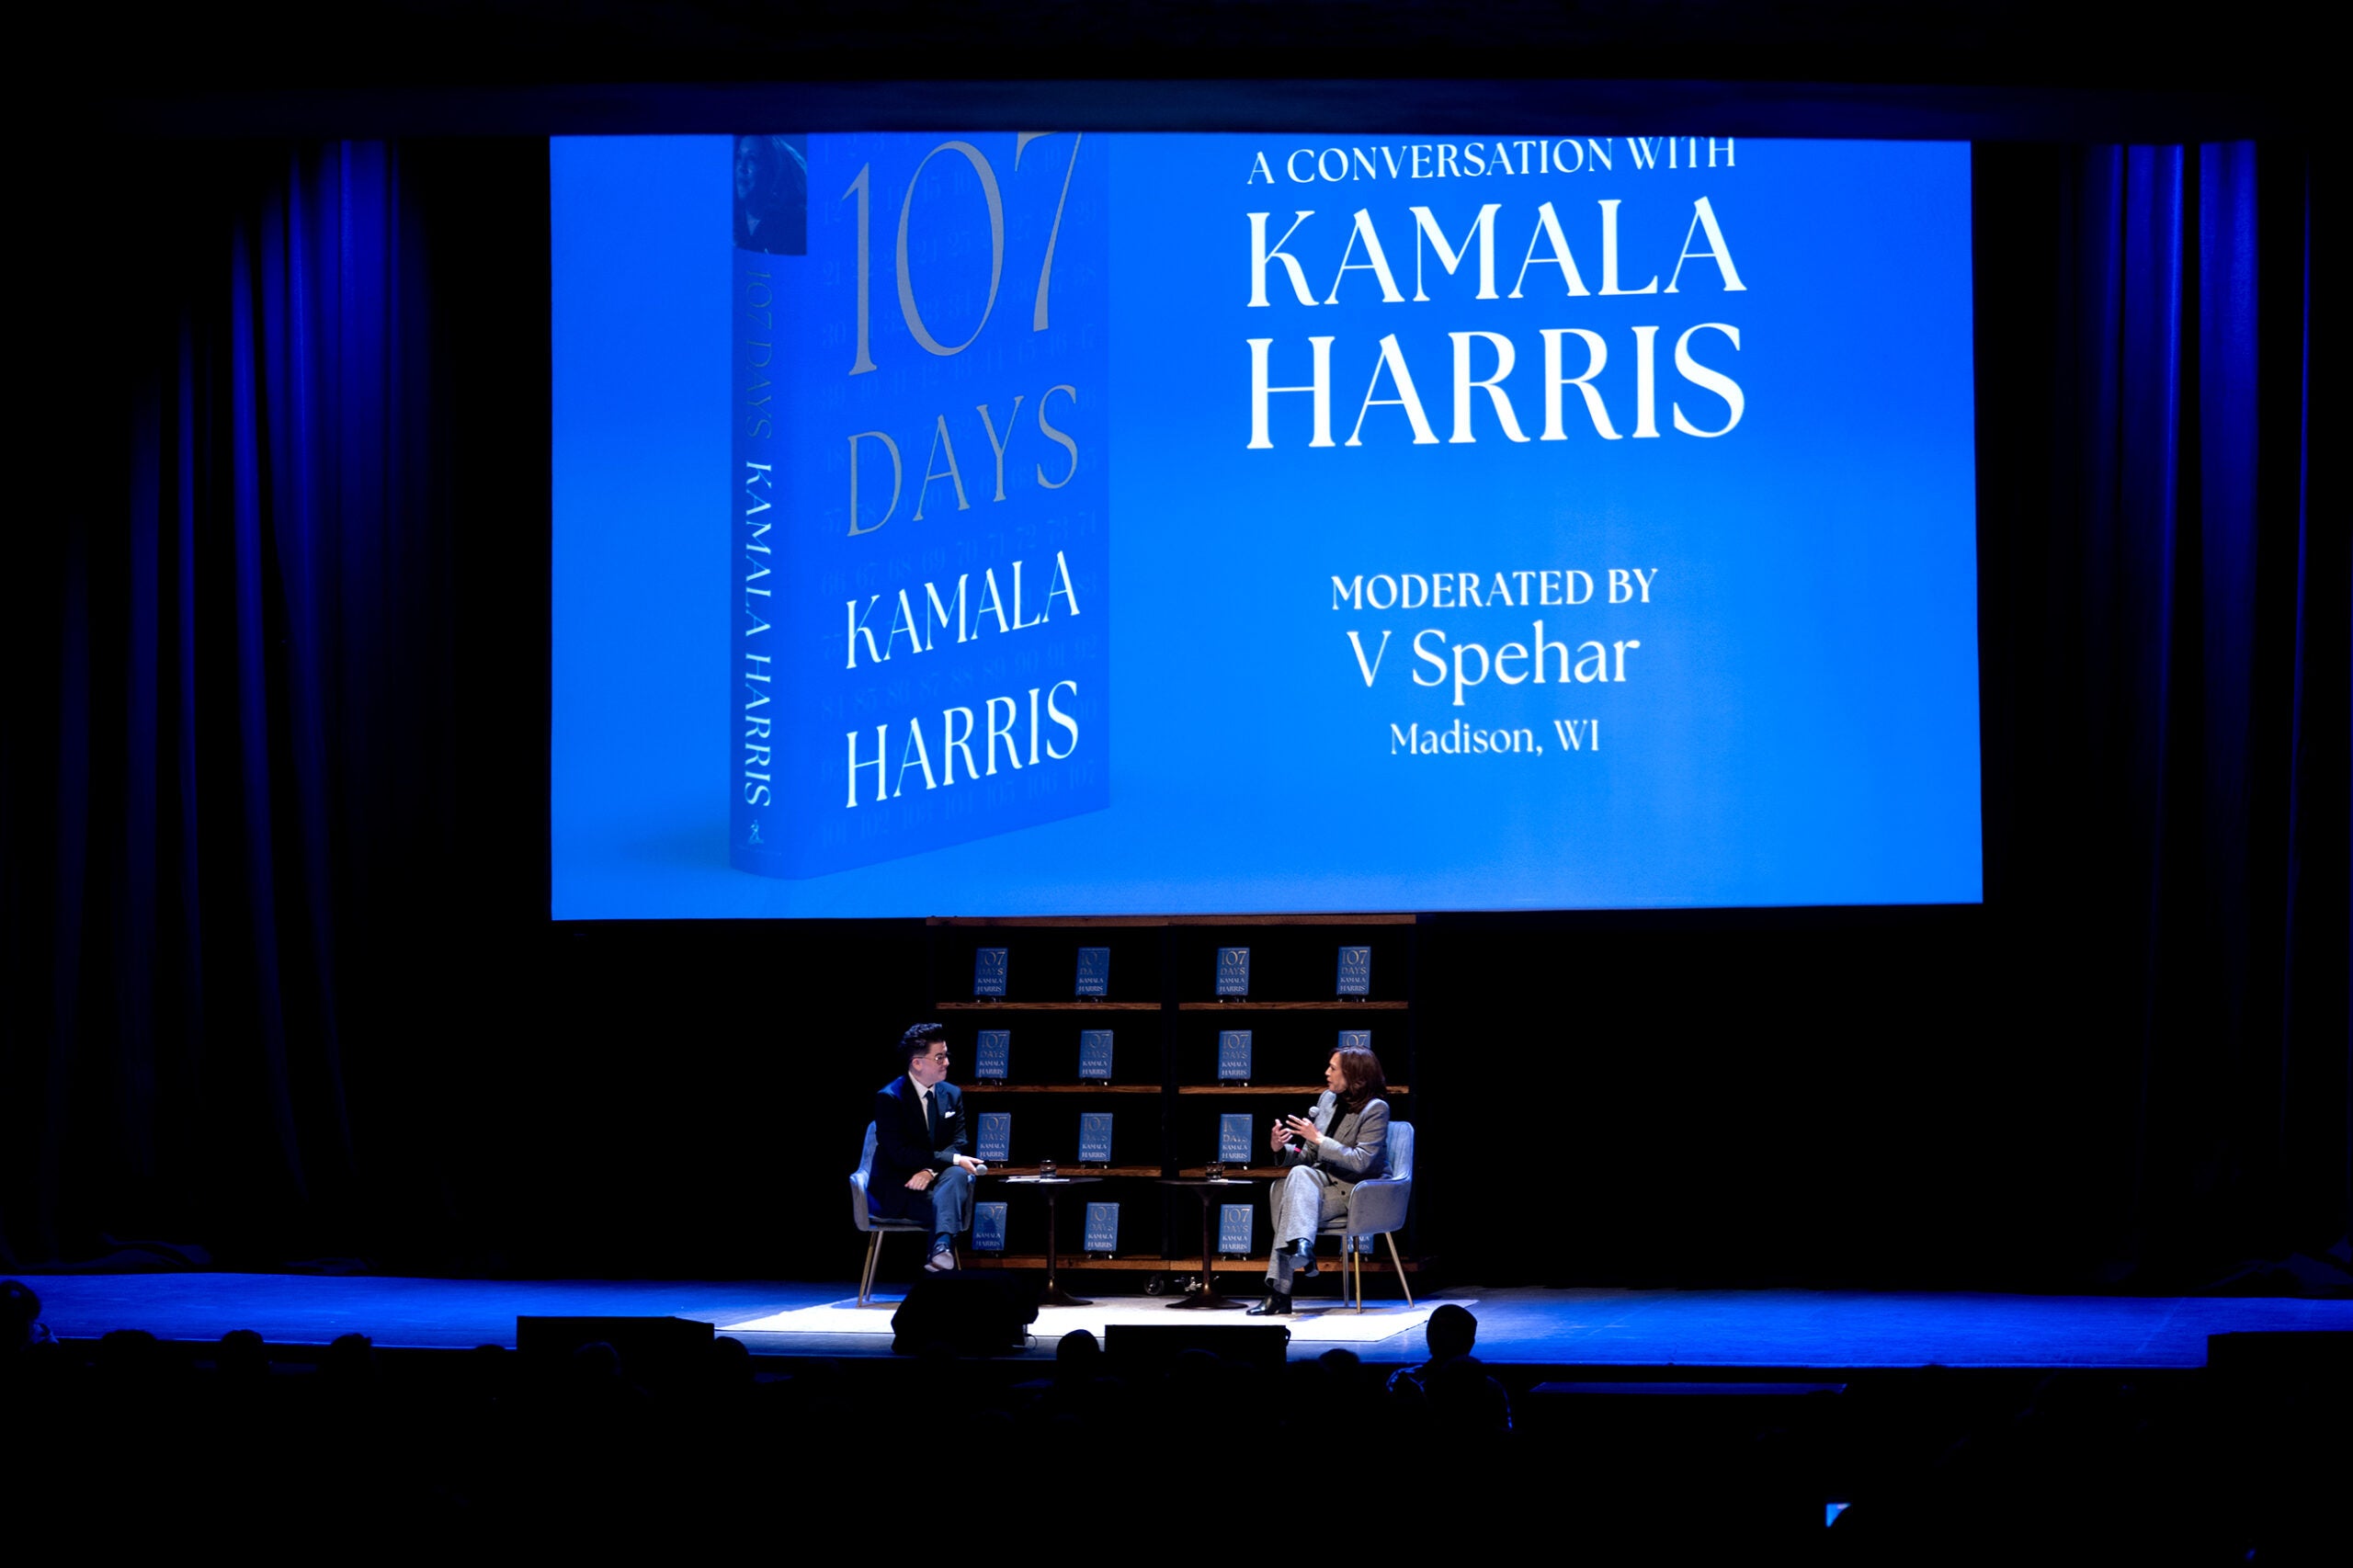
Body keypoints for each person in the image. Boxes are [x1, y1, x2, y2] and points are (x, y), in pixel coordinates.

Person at [1250, 1044, 1389, 1315]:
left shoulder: (1376, 1109)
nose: (1327, 1073)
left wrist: (1319, 1138)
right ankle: (1302, 1245)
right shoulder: (1327, 1099)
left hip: (1358, 1191)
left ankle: (1280, 1291)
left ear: (1354, 1075)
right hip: (1322, 1183)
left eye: (1333, 1069)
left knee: (1287, 1204)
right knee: (1298, 1174)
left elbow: (1362, 1161)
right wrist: (1281, 1149)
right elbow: (1309, 1156)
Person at [868, 1022, 985, 1270]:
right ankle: (942, 1248)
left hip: (935, 1181)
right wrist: (949, 1161)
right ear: (917, 1063)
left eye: (946, 1056)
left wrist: (929, 1171)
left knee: (955, 1175)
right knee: (951, 1190)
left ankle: (941, 1249)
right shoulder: (890, 1098)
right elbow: (900, 1153)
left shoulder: (952, 1093)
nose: (947, 1063)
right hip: (901, 1186)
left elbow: (959, 1141)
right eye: (939, 1057)